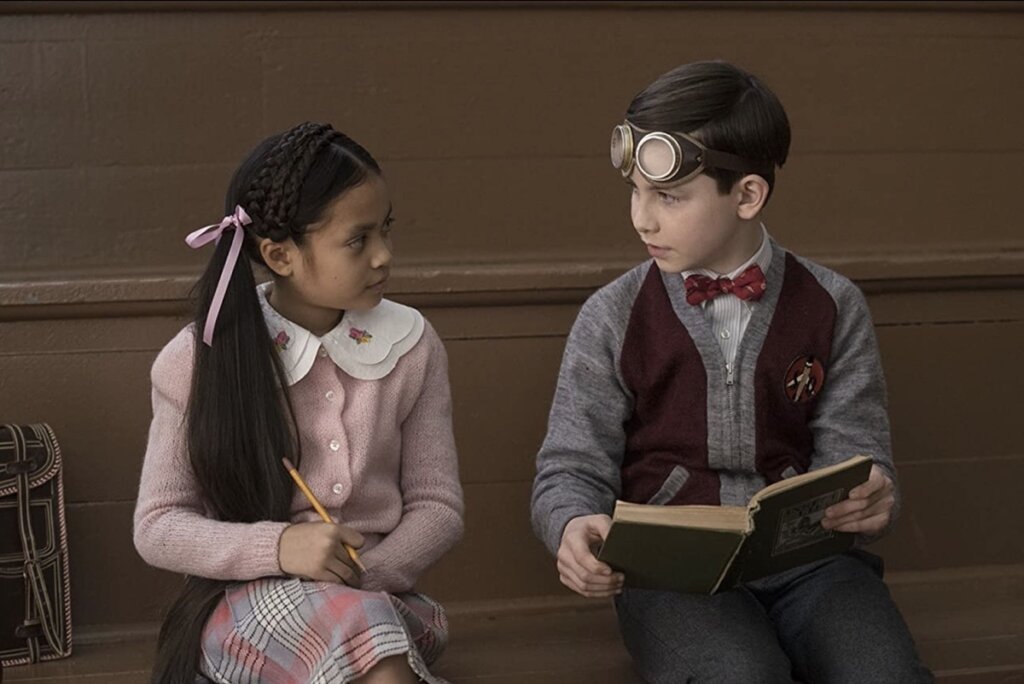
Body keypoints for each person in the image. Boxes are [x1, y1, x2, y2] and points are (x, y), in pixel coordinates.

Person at [530, 61, 933, 683]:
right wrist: (570, 521)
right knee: (739, 675)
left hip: (812, 566)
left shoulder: (832, 305)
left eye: (668, 197)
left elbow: (857, 451)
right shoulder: (612, 315)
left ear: (746, 196)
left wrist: (873, 494)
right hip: (670, 578)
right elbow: (569, 465)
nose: (642, 218)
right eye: (635, 191)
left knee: (885, 675)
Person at [134, 122, 464, 684]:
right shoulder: (198, 360)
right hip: (244, 607)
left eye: (385, 229)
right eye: (358, 240)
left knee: (372, 630)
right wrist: (282, 547)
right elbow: (159, 526)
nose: (384, 256)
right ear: (280, 255)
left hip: (380, 598)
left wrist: (368, 574)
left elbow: (438, 505)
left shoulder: (412, 345)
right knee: (374, 653)